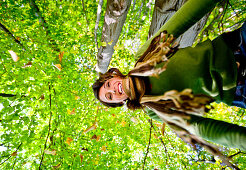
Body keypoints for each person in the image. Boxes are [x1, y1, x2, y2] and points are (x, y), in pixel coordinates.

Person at [93, 0, 246, 157]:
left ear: (114, 76)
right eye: (110, 96)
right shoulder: (152, 109)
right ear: (119, 102)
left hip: (236, 45)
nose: (113, 89)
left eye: (108, 84)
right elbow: (198, 127)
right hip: (239, 89)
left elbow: (180, 21)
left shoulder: (143, 56)